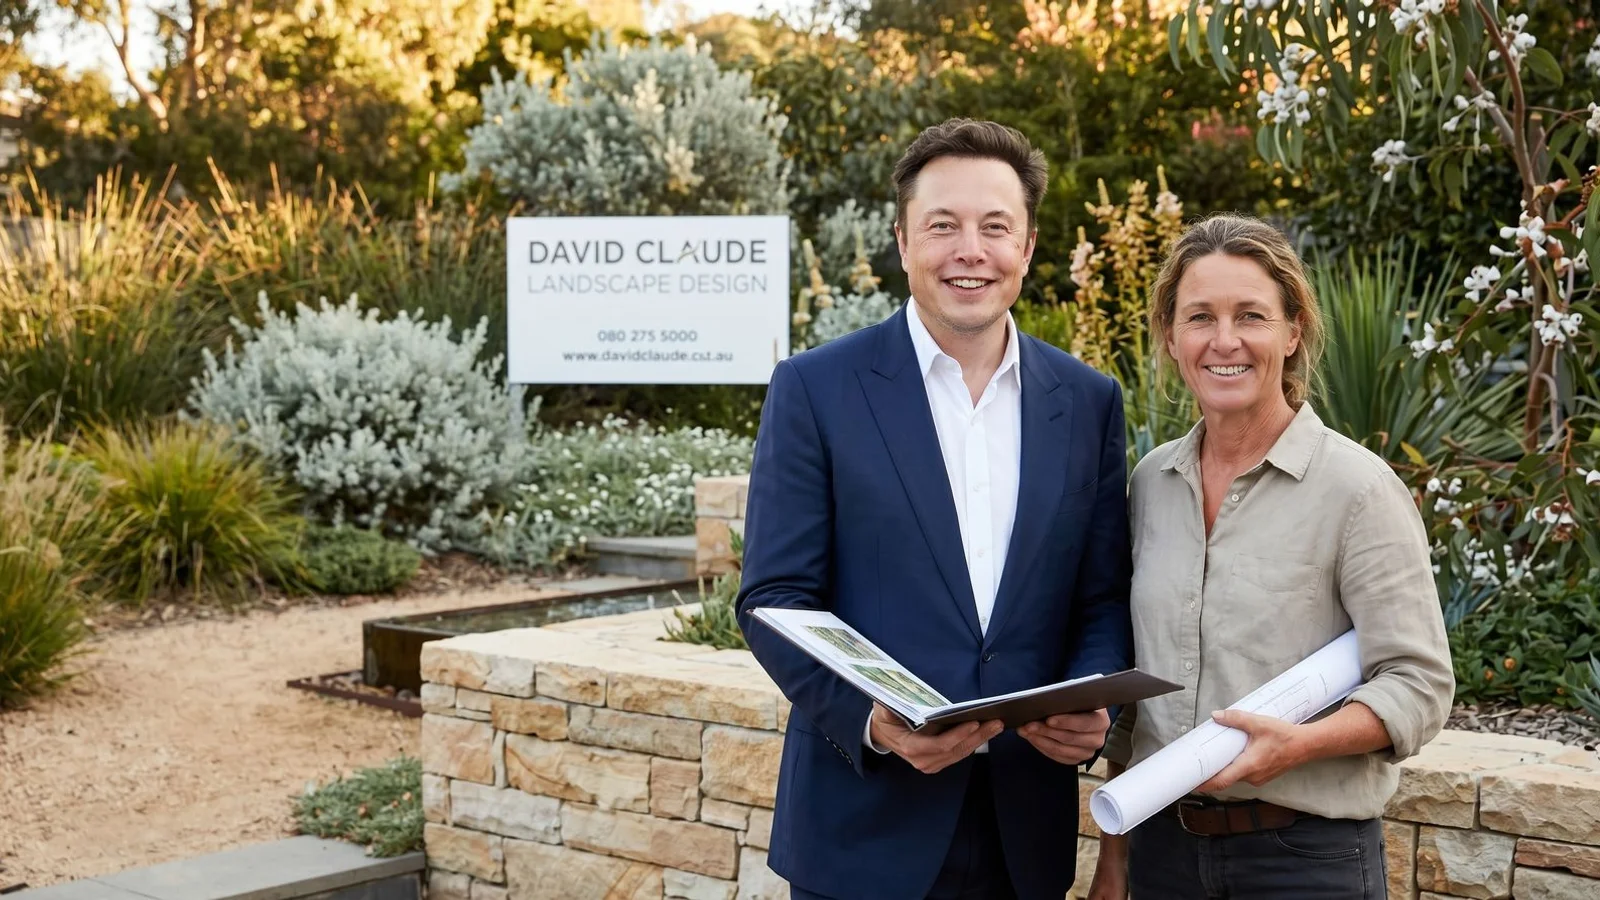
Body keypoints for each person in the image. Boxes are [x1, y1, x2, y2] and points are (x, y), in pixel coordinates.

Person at [735, 118, 1134, 900]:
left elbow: (1099, 596)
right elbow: (773, 598)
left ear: (1027, 245)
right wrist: (868, 719)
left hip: (1026, 834)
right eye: (942, 225)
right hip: (861, 833)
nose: (969, 250)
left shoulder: (1087, 401)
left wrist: (1089, 704)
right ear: (902, 239)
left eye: (995, 227)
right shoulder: (817, 389)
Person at [1087, 213, 1454, 899]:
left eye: (1250, 315)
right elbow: (1137, 701)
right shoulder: (1151, 486)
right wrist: (1115, 859)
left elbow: (1420, 684)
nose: (1225, 341)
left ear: (1292, 332)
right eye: (1200, 317)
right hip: (1162, 852)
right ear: (1171, 337)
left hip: (1304, 861)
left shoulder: (1359, 489)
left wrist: (1299, 744)